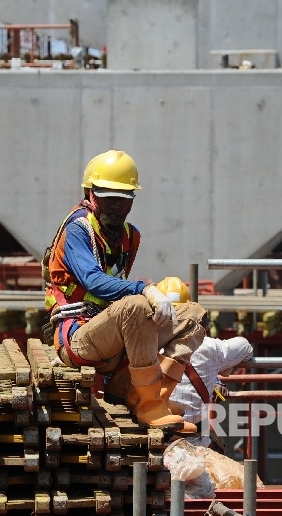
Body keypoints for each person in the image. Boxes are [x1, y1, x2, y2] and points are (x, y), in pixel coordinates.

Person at [43, 151, 206, 432]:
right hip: (78, 338)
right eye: (107, 197)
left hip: (112, 338)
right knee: (137, 306)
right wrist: (145, 289)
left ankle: (149, 395)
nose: (116, 205)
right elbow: (93, 281)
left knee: (193, 315)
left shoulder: (130, 237)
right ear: (90, 193)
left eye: (124, 198)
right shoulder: (78, 230)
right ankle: (149, 407)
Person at [168, 312, 253, 450]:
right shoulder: (209, 346)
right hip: (196, 443)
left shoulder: (154, 342)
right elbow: (246, 346)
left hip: (158, 441)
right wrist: (217, 371)